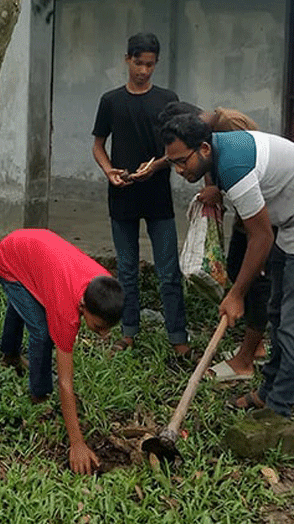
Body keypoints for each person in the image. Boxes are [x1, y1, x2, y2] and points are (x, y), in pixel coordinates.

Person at [160, 115, 294, 419]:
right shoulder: (217, 149)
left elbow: (261, 238)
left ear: (204, 149)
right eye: (174, 164)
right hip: (290, 221)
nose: (180, 169)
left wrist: (236, 294)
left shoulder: (235, 168)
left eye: (183, 161)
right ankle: (268, 393)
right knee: (276, 311)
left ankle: (278, 411)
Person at [149, 101, 269, 382]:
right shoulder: (200, 142)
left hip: (263, 213)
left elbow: (253, 173)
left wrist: (220, 190)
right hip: (244, 210)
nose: (179, 167)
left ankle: (249, 356)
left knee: (257, 279)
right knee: (239, 267)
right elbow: (205, 164)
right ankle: (253, 344)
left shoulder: (232, 126)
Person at [91, 32, 190, 363]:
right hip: (122, 195)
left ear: (156, 63)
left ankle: (178, 337)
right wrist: (108, 171)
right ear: (127, 59)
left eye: (150, 64)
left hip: (158, 195)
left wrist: (158, 165)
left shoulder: (167, 99)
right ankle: (128, 332)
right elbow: (98, 144)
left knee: (168, 270)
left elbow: (176, 147)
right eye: (139, 63)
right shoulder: (111, 101)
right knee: (127, 268)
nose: (144, 71)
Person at [0, 229, 124, 475]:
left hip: (31, 251)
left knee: (26, 307)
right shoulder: (67, 313)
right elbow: (65, 382)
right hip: (9, 259)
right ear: (84, 306)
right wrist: (77, 442)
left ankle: (9, 355)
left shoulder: (104, 284)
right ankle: (39, 394)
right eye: (99, 327)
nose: (104, 335)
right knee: (41, 332)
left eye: (108, 329)